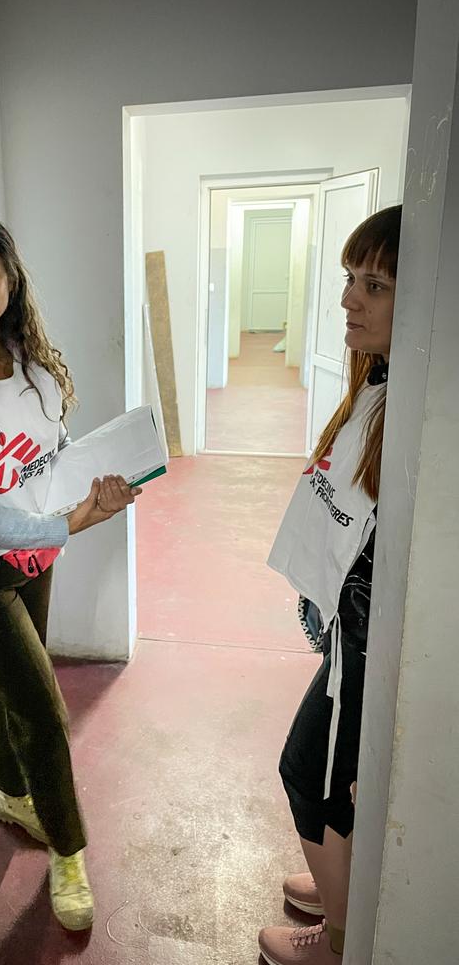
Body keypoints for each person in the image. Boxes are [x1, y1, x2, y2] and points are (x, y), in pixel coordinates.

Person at [0, 203, 140, 932]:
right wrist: (68, 521)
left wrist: (97, 488)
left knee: (22, 683)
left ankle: (11, 793)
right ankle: (70, 852)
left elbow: (56, 457)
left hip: (37, 554)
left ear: (11, 275)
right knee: (45, 709)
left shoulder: (36, 370)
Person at [258, 205, 401, 965]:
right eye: (352, 278)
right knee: (333, 782)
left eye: (375, 284)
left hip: (370, 658)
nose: (350, 298)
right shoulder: (379, 384)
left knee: (308, 775)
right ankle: (339, 879)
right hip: (351, 647)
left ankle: (341, 941)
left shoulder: (414, 413)